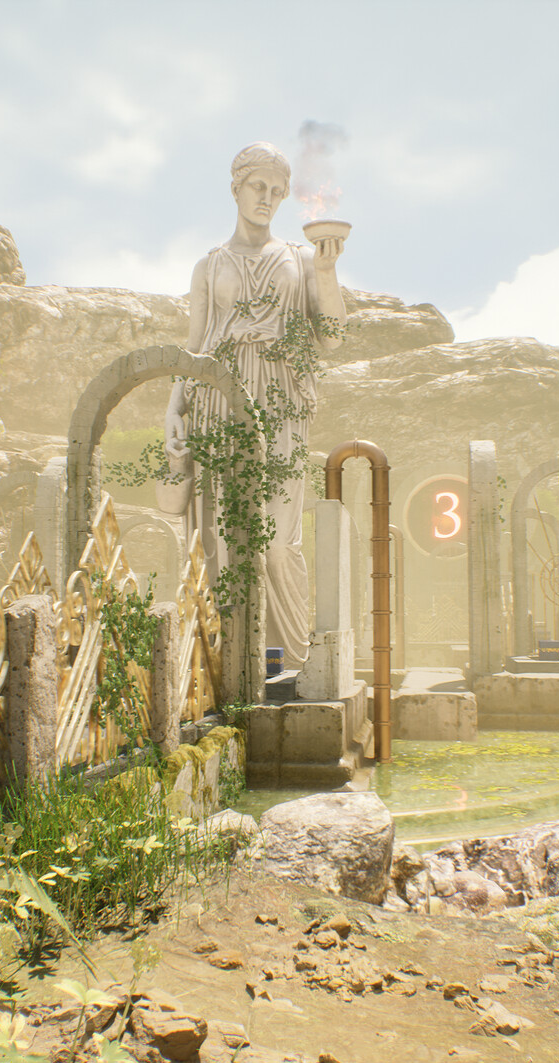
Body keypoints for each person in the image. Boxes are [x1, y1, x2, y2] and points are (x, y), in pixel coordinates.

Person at [161, 141, 346, 669]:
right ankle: (223, 659)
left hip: (281, 403)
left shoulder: (300, 258)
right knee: (220, 531)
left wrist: (326, 273)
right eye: (258, 187)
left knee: (278, 538)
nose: (267, 198)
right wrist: (174, 408)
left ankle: (290, 658)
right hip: (218, 401)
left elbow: (332, 336)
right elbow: (196, 342)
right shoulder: (209, 265)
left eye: (277, 191)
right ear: (236, 188)